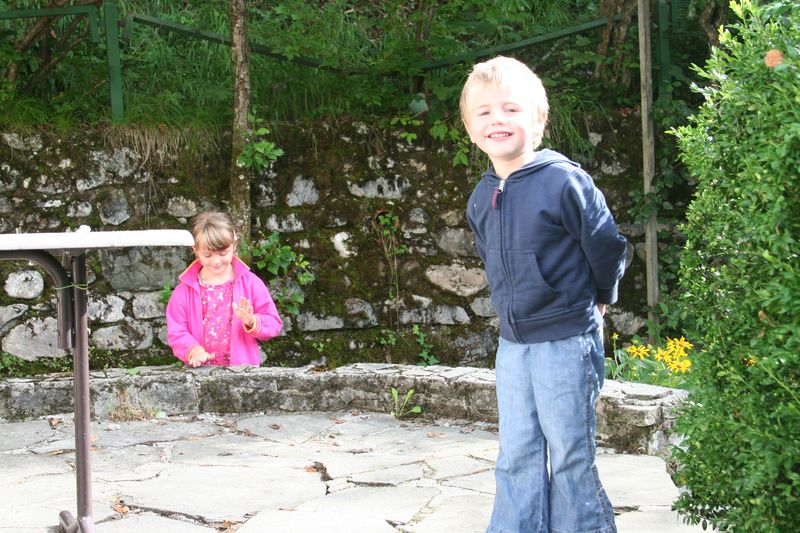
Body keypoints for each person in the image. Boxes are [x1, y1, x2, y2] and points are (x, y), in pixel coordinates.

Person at [460, 56, 628, 533]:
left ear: (538, 119)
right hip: (513, 344)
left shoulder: (564, 181)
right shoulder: (481, 195)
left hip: (565, 340)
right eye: (485, 112)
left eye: (512, 109)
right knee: (517, 453)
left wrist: (601, 295)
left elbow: (607, 246)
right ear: (471, 129)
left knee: (570, 453)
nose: (499, 120)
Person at [166, 211, 283, 367]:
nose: (216, 261)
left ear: (233, 245)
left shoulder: (250, 283)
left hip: (242, 373)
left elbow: (274, 323)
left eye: (223, 253)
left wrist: (251, 321)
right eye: (208, 255)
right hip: (200, 374)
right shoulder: (184, 291)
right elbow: (176, 331)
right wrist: (193, 350)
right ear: (195, 250)